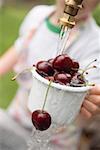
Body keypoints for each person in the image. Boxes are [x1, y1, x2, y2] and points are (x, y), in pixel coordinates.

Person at [0, 0, 100, 130]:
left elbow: (90, 84)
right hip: (19, 114)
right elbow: (20, 47)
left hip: (57, 134)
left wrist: (92, 100)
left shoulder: (95, 41)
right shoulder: (37, 15)